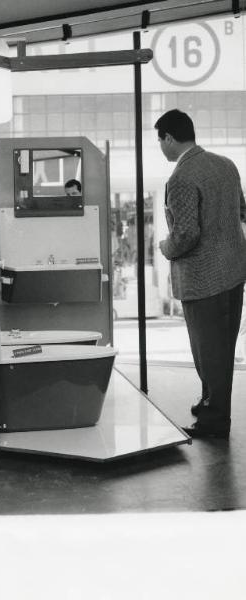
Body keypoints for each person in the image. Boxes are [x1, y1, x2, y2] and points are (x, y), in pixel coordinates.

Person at [155, 109, 246, 439]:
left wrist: (165, 248)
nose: (161, 148)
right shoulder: (226, 165)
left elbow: (186, 234)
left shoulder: (181, 178)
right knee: (219, 347)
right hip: (233, 271)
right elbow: (242, 209)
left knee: (208, 350)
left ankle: (215, 419)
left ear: (169, 138)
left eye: (160, 141)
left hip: (204, 277)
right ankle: (210, 402)